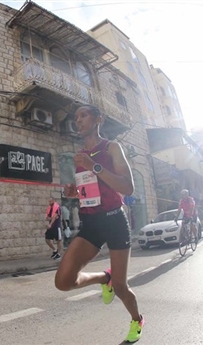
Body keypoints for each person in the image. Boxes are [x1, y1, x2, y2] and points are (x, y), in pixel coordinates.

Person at [58, 105, 144, 343]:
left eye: (83, 115)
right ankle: (102, 278)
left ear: (99, 119)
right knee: (63, 282)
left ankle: (137, 319)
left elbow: (127, 188)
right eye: (76, 117)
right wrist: (73, 192)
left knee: (120, 287)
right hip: (91, 222)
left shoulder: (111, 148)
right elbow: (88, 192)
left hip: (114, 220)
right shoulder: (79, 157)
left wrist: (93, 166)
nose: (78, 121)